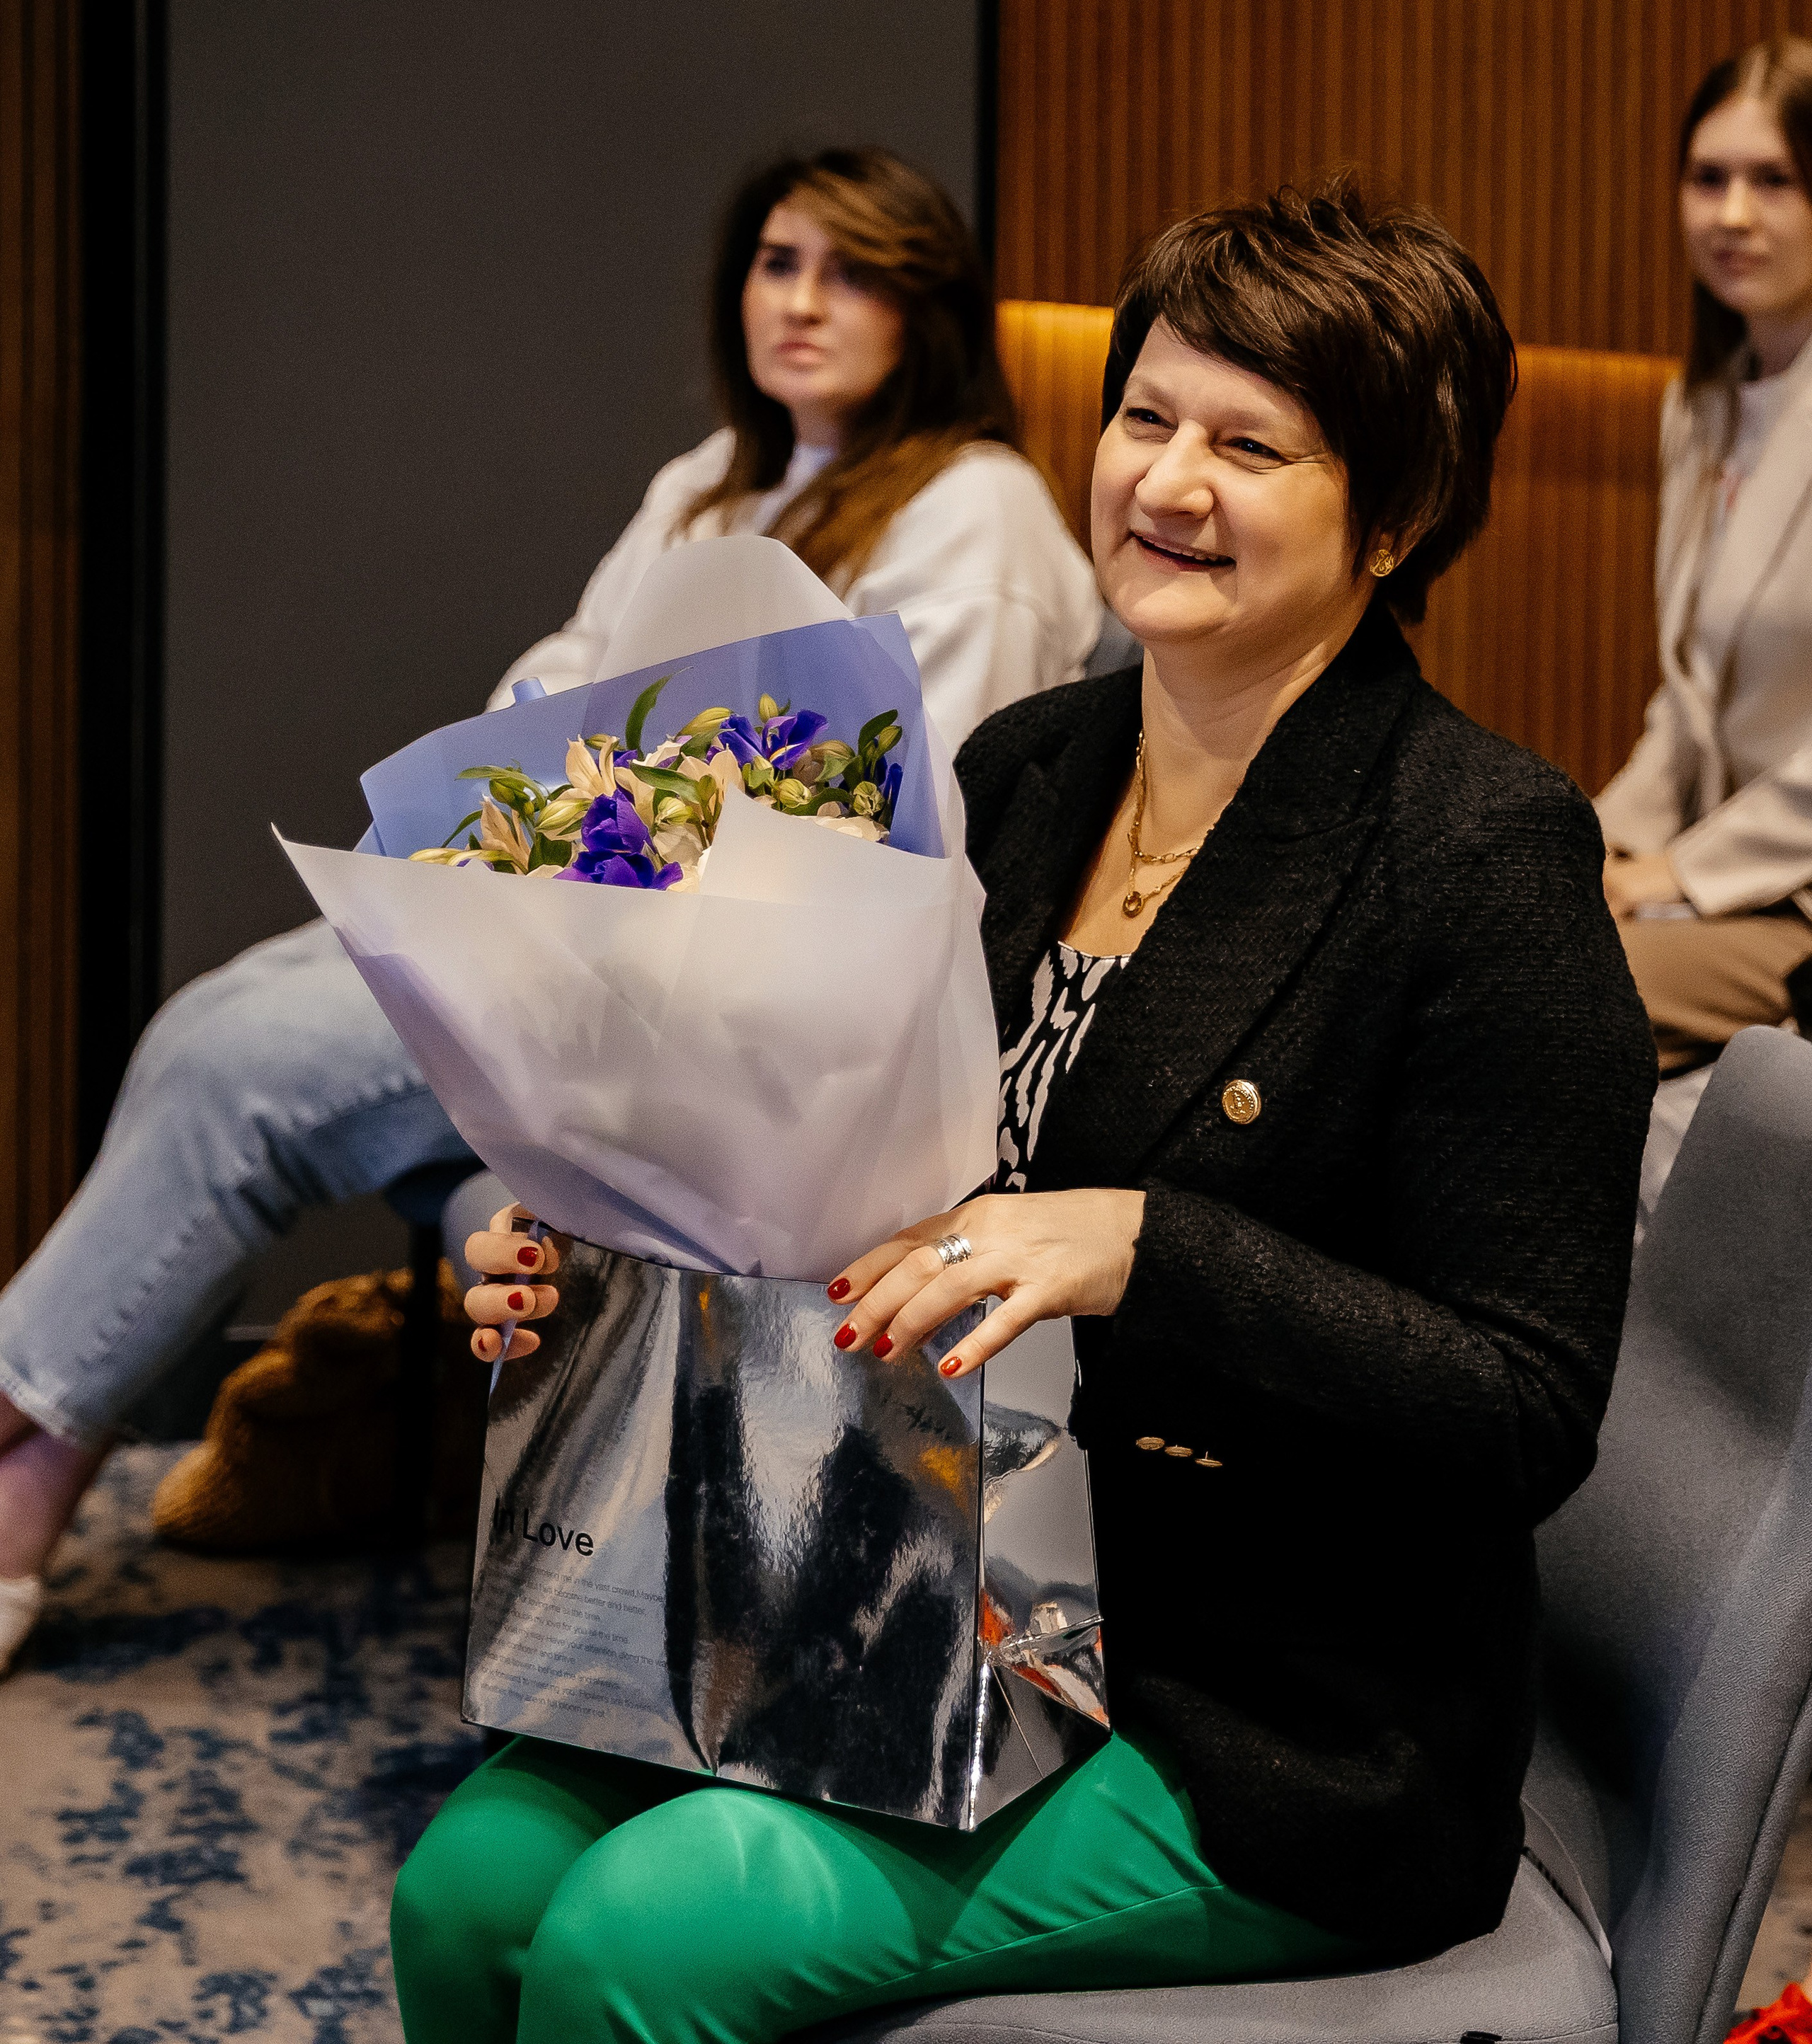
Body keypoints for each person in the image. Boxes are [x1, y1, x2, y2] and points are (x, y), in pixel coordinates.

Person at [393, 183, 1656, 2043]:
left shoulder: (1481, 856)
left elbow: (1524, 1405)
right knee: (472, 1887)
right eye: (1148, 417)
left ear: (1392, 517)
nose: (1167, 480)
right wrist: (581, 1243)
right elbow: (826, 1164)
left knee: (636, 1935)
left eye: (1253, 445)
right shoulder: (1028, 768)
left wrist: (1141, 1247)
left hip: (1259, 1716)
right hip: (915, 1590)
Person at [0, 145, 1101, 1670]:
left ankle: (14, 1438)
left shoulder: (975, 508)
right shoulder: (713, 477)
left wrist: (621, 815)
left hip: (734, 1024)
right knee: (228, 1032)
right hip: (576, 948)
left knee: (228, 1061)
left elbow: (907, 825)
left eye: (851, 272)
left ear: (930, 310)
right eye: (778, 262)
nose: (800, 301)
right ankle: (28, 1477)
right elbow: (548, 690)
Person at [1597, 38, 1812, 1079]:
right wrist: (1587, 846)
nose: (1733, 214)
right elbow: (1683, 708)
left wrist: (1673, 870)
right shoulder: (1703, 405)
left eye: (1774, 181)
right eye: (1709, 178)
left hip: (1793, 899)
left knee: (1546, 996)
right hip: (1714, 879)